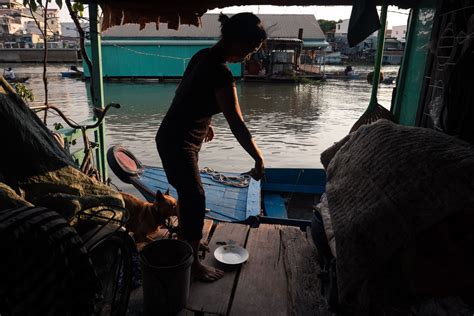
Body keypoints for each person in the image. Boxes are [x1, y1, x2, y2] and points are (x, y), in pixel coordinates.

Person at [156, 12, 266, 282]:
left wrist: (205, 121)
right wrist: (258, 158)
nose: (249, 55)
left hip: (170, 136)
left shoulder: (202, 56)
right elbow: (237, 123)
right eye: (250, 49)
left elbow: (186, 95)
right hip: (179, 142)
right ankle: (192, 265)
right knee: (195, 197)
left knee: (187, 193)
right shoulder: (221, 74)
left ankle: (187, 244)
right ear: (236, 41)